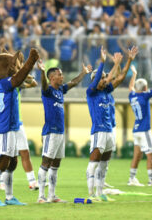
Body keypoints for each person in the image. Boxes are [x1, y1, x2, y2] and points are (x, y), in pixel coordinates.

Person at [35, 59, 92, 203]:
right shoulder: (47, 91)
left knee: (56, 164)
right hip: (50, 132)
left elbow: (73, 82)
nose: (62, 77)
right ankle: (41, 196)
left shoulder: (60, 90)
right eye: (60, 75)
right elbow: (43, 83)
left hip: (60, 132)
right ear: (52, 77)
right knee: (46, 162)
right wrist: (42, 72)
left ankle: (52, 195)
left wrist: (83, 73)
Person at [86, 46, 137, 202]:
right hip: (98, 131)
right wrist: (107, 63)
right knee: (94, 163)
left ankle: (100, 192)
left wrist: (129, 60)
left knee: (104, 164)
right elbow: (108, 78)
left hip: (109, 131)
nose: (105, 79)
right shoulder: (91, 92)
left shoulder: (106, 91)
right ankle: (91, 193)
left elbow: (120, 78)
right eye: (102, 77)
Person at [0, 49, 39, 207]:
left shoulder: (3, 82)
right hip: (4, 128)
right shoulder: (3, 83)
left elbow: (21, 79)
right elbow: (18, 79)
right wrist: (30, 62)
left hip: (12, 126)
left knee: (12, 162)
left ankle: (9, 197)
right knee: (1, 161)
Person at [0, 74, 40, 191]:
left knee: (25, 152)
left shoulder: (17, 85)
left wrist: (26, 76)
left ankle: (32, 182)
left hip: (18, 123)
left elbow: (34, 84)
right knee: (6, 155)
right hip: (7, 124)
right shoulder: (5, 84)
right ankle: (1, 181)